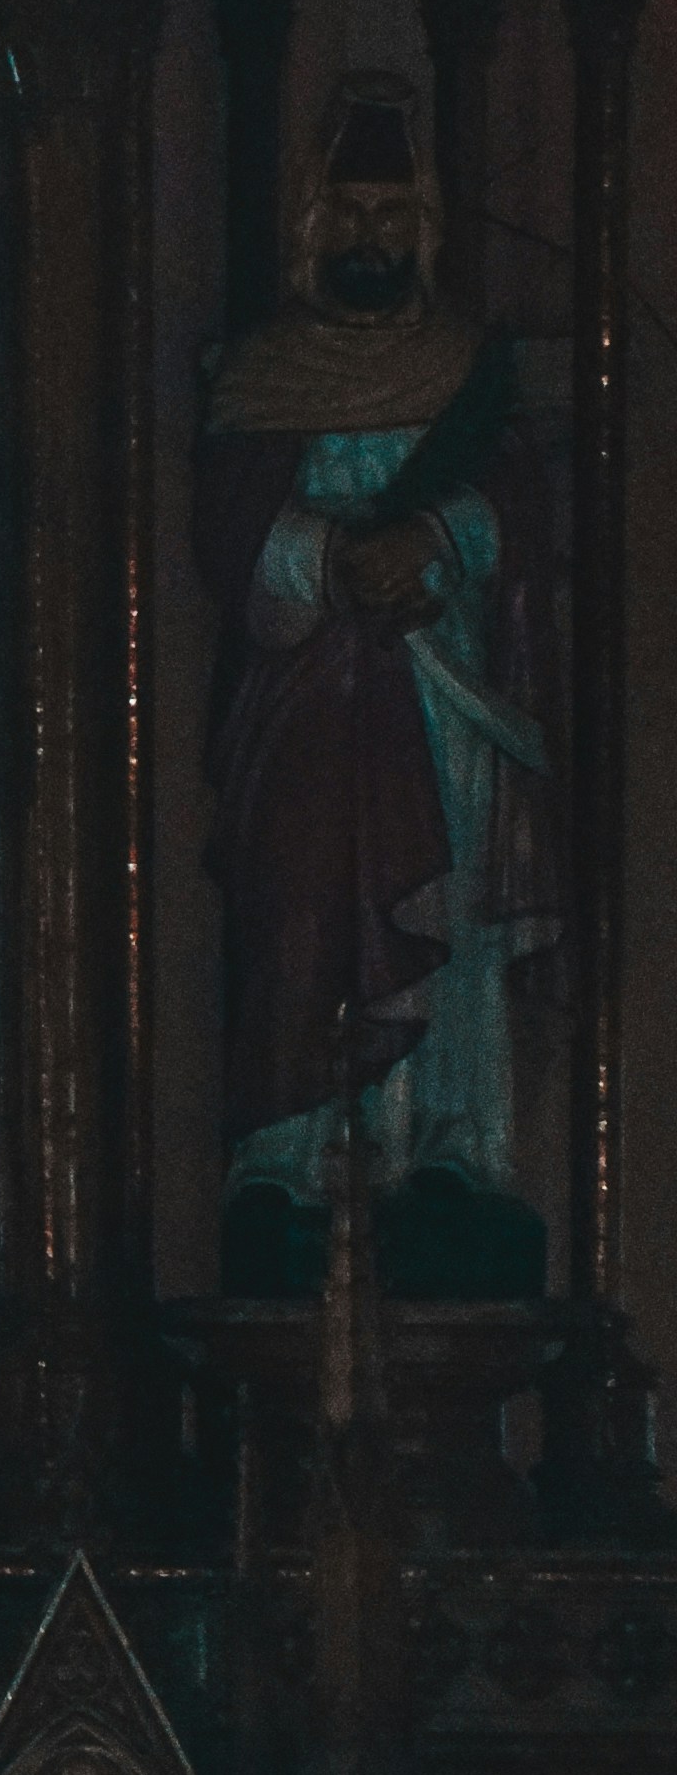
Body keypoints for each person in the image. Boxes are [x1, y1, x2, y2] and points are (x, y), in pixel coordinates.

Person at [198, 87, 559, 1284]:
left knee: (438, 911)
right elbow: (229, 522)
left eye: (390, 213)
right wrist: (320, 554)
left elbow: (522, 500)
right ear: (311, 223)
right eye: (346, 212)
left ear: (426, 224)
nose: (368, 238)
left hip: (438, 688)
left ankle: (446, 1151)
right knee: (303, 910)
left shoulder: (465, 370)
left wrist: (440, 540)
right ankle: (293, 1157)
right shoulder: (260, 373)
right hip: (304, 708)